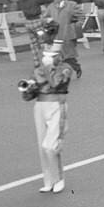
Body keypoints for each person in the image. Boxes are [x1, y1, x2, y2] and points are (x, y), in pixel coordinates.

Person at [28, 38, 74, 194]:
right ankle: (48, 180)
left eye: (51, 54)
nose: (47, 57)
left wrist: (48, 68)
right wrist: (29, 89)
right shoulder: (39, 68)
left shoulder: (65, 68)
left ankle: (59, 178)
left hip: (57, 104)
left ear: (58, 55)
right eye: (45, 53)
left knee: (51, 145)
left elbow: (57, 84)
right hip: (40, 105)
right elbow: (30, 94)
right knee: (41, 145)